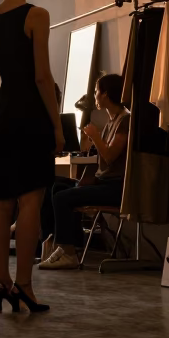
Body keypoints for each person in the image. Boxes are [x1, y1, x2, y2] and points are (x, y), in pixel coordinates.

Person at [0, 0, 64, 312]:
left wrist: (0, 114)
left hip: (3, 115)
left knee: (2, 202)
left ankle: (3, 283)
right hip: (31, 112)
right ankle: (25, 285)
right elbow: (42, 76)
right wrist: (57, 125)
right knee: (31, 199)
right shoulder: (37, 15)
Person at [40, 73, 129, 269]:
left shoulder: (125, 121)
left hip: (115, 187)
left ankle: (68, 253)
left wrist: (96, 137)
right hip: (103, 181)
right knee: (52, 185)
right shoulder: (111, 121)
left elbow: (110, 156)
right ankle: (60, 244)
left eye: (97, 92)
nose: (95, 96)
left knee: (62, 198)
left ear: (105, 95)